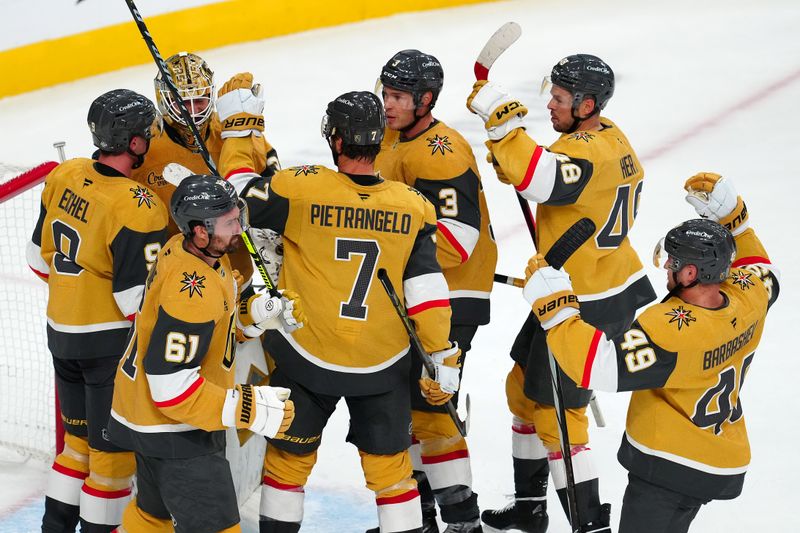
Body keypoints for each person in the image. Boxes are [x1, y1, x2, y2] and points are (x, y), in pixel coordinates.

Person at [220, 89, 459, 533]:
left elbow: (235, 194)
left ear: (336, 141)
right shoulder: (412, 207)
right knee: (392, 475)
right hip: (382, 362)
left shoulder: (299, 187)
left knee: (288, 467)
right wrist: (441, 356)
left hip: (307, 357)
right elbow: (427, 291)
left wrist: (238, 132)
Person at [522, 172, 779, 533]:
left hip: (670, 467)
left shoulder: (672, 329)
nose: (667, 270)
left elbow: (600, 367)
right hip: (720, 458)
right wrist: (737, 220)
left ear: (690, 272)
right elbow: (766, 270)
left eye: (673, 263)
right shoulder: (748, 295)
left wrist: (557, 309)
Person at [466, 54, 656, 532]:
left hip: (585, 302)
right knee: (522, 392)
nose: (549, 105)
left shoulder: (589, 151)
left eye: (559, 98)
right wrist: (512, 153)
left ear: (586, 104)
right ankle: (530, 509)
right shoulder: (607, 135)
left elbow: (542, 178)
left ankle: (589, 525)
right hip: (576, 288)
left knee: (558, 413)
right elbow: (549, 178)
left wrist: (503, 124)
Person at [107, 175, 303, 532]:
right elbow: (170, 388)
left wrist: (256, 315)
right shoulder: (190, 292)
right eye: (230, 222)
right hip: (174, 429)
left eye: (237, 215)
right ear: (200, 230)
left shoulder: (191, 250)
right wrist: (250, 408)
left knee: (151, 518)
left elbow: (217, 326)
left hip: (144, 413)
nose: (240, 227)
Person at [25, 89, 168, 532]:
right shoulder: (138, 206)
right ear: (136, 143)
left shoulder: (64, 174)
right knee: (111, 462)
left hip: (61, 336)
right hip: (106, 351)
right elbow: (135, 305)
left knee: (76, 448)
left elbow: (37, 259)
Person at [374, 49, 497, 533]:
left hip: (451, 298)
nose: (388, 104)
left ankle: (463, 520)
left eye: (399, 96)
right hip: (414, 295)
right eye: (386, 93)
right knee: (405, 410)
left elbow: (457, 239)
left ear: (426, 99)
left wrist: (389, 258)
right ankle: (422, 515)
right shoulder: (387, 137)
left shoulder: (441, 152)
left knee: (432, 406)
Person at [133, 51, 281, 285]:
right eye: (182, 102)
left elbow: (269, 176)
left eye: (199, 100)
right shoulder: (146, 145)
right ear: (163, 101)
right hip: (182, 280)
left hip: (238, 272)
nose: (192, 111)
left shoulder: (230, 130)